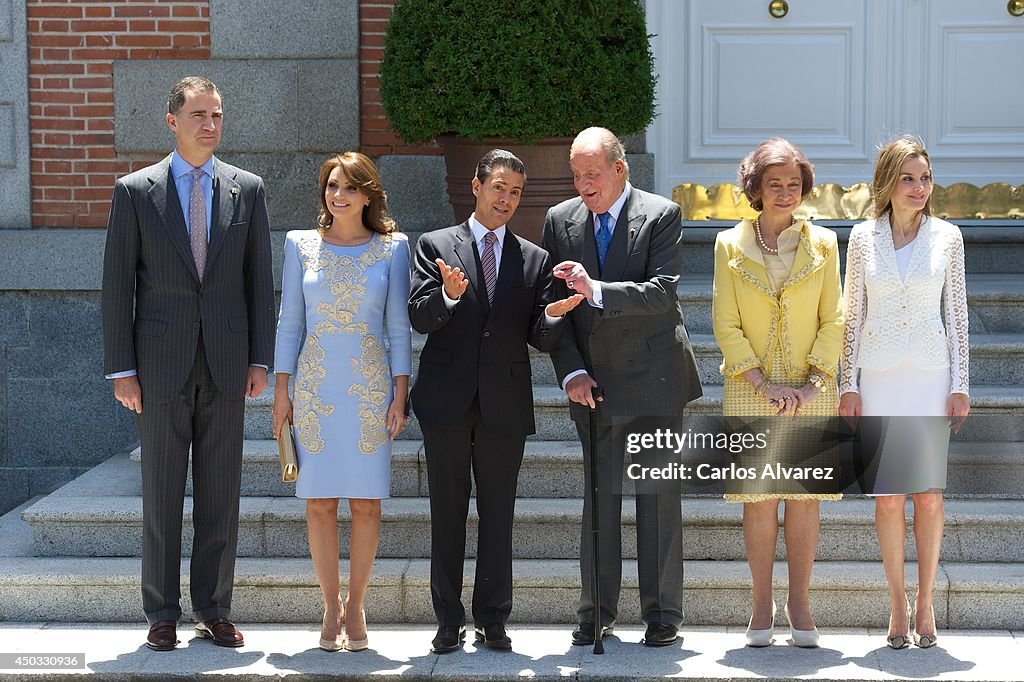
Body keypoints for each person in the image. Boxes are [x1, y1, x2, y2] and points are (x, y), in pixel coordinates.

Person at [101, 76, 275, 651]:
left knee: (221, 495)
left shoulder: (246, 190)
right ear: (172, 120)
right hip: (158, 366)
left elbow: (258, 282)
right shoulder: (135, 190)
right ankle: (161, 613)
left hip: (226, 363)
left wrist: (260, 360)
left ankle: (215, 608)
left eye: (217, 114)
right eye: (199, 113)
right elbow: (115, 288)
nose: (210, 123)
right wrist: (121, 369)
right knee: (162, 494)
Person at [409, 149, 584, 654]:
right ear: (477, 186)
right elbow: (420, 316)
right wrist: (448, 296)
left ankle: (492, 618)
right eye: (499, 188)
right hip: (446, 400)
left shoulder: (533, 258)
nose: (506, 199)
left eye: (515, 192)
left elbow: (538, 334)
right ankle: (447, 619)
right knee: (447, 511)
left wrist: (552, 316)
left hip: (504, 404)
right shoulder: (435, 245)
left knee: (499, 513)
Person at [542, 127, 702, 648]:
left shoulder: (661, 214)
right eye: (576, 174)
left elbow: (662, 294)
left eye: (593, 173)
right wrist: (571, 373)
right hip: (595, 382)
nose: (583, 183)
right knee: (600, 499)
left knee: (656, 499)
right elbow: (554, 313)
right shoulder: (560, 221)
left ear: (619, 169)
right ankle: (596, 611)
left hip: (654, 378)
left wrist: (597, 289)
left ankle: (662, 614)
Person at [272, 152, 412, 652]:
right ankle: (329, 606)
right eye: (332, 186)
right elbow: (290, 321)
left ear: (368, 194)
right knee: (319, 503)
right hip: (313, 388)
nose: (339, 195)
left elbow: (398, 325)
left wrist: (401, 392)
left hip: (370, 389)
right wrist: (281, 391)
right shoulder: (300, 245)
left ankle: (357, 606)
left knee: (367, 504)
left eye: (350, 187)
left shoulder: (393, 249)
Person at [711, 138, 844, 648]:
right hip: (751, 389)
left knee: (806, 498)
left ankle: (801, 602)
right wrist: (762, 383)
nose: (785, 193)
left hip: (814, 391)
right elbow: (725, 322)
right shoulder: (728, 244)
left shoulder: (827, 243)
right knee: (760, 500)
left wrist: (813, 383)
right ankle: (761, 602)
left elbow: (834, 316)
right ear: (756, 189)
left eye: (793, 184)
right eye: (774, 184)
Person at [839, 135, 970, 650]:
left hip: (929, 377)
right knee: (889, 499)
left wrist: (961, 383)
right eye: (908, 178)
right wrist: (848, 383)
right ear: (887, 183)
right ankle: (897, 602)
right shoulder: (862, 238)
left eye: (925, 178)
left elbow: (956, 315)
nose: (918, 188)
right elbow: (852, 316)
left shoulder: (949, 237)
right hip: (880, 376)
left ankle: (926, 600)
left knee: (929, 497)